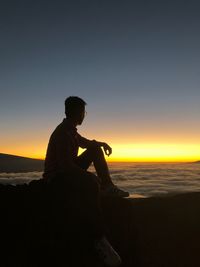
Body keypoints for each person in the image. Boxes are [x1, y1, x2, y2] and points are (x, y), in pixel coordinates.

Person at [43, 96, 129, 266]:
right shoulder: (62, 133)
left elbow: (85, 143)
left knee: (95, 149)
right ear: (75, 112)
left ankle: (108, 186)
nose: (84, 115)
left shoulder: (71, 130)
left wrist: (102, 144)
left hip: (65, 170)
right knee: (90, 184)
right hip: (57, 178)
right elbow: (64, 166)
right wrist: (88, 177)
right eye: (83, 112)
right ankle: (99, 239)